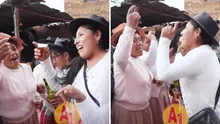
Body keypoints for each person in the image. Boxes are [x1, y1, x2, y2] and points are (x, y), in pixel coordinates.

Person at [156, 11, 220, 118]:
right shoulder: (204, 52)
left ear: (197, 32)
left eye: (186, 28)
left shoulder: (202, 54)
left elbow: (163, 74)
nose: (181, 33)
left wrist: (164, 40)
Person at [54, 14, 109, 124]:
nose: (76, 41)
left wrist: (80, 99)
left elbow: (106, 118)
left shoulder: (109, 67)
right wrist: (67, 100)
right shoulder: (81, 67)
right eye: (75, 37)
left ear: (97, 35)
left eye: (81, 35)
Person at [112, 5, 160, 124]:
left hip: (144, 109)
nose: (139, 43)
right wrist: (129, 27)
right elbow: (121, 53)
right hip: (128, 114)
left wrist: (154, 81)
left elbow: (144, 76)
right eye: (134, 40)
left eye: (139, 40)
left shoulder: (138, 60)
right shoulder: (122, 61)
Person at [34, 37, 83, 124]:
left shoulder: (77, 72)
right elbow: (56, 88)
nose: (54, 62)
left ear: (65, 56)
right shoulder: (61, 71)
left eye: (54, 57)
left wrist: (64, 100)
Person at [0, 33, 42, 124]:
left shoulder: (26, 67)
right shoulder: (2, 73)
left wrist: (38, 92)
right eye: (6, 52)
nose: (12, 53)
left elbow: (30, 91)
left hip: (32, 117)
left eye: (14, 48)